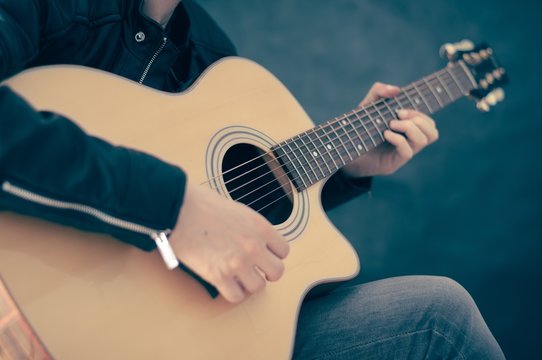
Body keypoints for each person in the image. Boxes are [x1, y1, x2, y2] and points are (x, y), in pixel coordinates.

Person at [0, 0, 505, 358]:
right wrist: (175, 208)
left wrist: (344, 170)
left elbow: (232, 210)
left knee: (440, 318)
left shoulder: (213, 54)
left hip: (187, 331)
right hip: (23, 300)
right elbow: (196, 212)